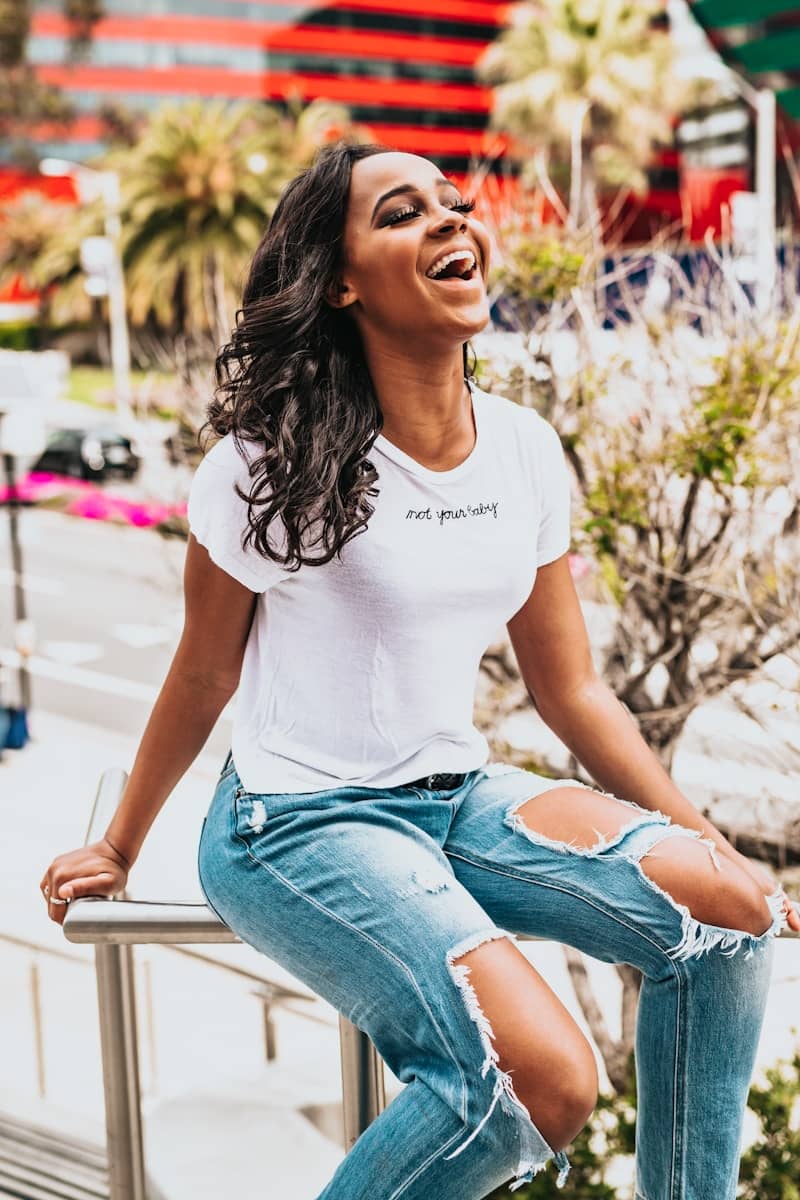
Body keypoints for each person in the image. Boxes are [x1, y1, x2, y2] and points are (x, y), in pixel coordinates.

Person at [41, 144, 798, 1200]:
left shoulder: (524, 450)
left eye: (455, 204)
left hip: (454, 799)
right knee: (534, 1076)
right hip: (294, 823)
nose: (450, 223)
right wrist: (120, 844)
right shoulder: (263, 465)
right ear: (340, 279)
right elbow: (202, 675)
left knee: (726, 916)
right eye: (403, 213)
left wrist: (702, 835)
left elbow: (569, 687)